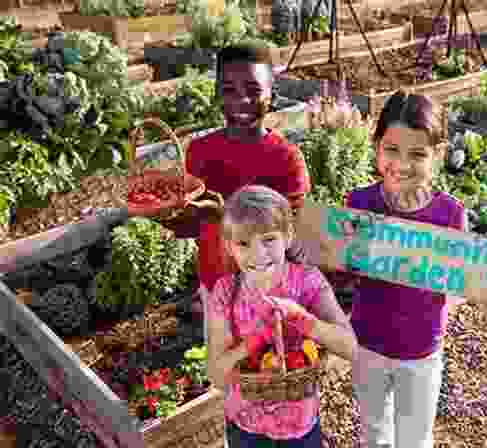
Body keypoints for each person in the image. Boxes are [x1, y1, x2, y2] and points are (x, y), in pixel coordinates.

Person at [148, 43, 311, 335]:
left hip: (271, 293)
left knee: (271, 369)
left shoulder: (287, 158)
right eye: (229, 90)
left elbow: (291, 233)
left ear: (271, 93)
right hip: (216, 286)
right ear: (217, 95)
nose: (241, 100)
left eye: (253, 89)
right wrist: (167, 214)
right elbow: (189, 228)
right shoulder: (200, 152)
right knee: (227, 369)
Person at [342, 90, 468, 448]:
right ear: (377, 148)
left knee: (414, 439)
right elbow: (343, 268)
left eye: (417, 154)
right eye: (391, 150)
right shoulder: (359, 202)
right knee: (374, 434)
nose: (401, 164)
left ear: (437, 156)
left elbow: (461, 276)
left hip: (421, 349)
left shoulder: (449, 214)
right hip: (368, 343)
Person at [203, 185, 357, 447]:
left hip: (299, 424)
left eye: (269, 240)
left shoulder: (308, 281)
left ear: (288, 236)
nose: (258, 254)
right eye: (243, 243)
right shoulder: (225, 292)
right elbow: (216, 374)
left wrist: (303, 320)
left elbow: (351, 348)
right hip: (245, 425)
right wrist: (253, 343)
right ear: (230, 247)